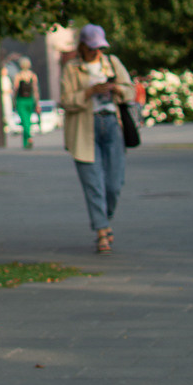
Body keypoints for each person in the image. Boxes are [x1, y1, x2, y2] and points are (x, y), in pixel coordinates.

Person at [60, 24, 135, 253]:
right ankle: (102, 230)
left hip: (112, 125)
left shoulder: (112, 63)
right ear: (82, 46)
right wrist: (90, 91)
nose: (96, 52)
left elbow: (131, 91)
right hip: (84, 129)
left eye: (100, 47)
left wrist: (116, 89)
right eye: (92, 48)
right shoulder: (71, 68)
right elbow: (66, 101)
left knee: (114, 184)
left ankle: (104, 218)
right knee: (93, 184)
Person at [13, 56, 40, 148]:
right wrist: (37, 103)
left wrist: (14, 100)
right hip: (30, 100)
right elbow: (35, 90)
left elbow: (15, 89)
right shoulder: (33, 76)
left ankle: (28, 137)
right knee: (27, 120)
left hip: (21, 100)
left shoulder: (18, 76)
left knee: (24, 121)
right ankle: (26, 142)